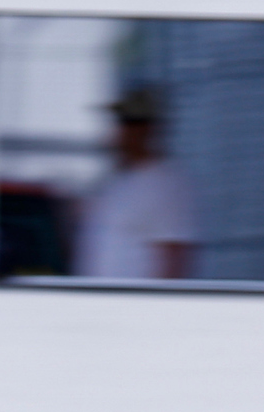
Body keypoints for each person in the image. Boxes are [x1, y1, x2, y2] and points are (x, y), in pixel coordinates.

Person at [76, 88, 197, 281]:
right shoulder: (116, 181)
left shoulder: (165, 183)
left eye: (126, 122)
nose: (118, 130)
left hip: (133, 306)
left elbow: (174, 255)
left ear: (145, 129)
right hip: (98, 304)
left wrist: (155, 308)